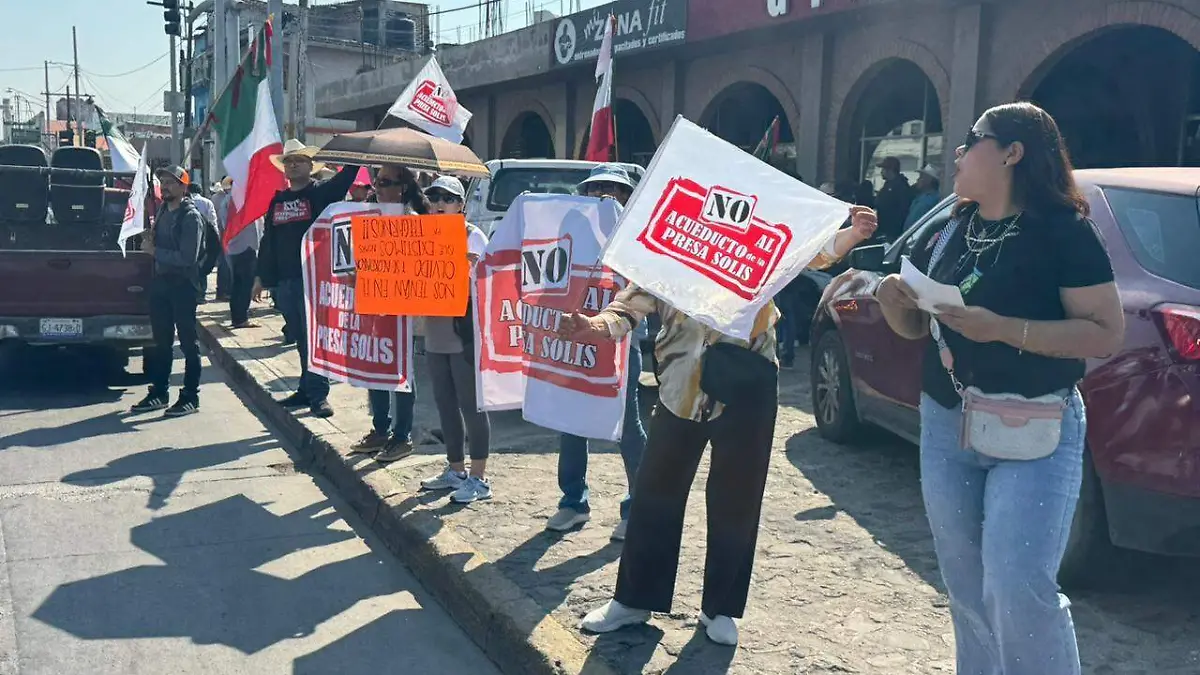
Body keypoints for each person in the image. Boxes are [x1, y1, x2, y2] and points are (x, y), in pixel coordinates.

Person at [874, 102, 1123, 674]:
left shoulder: (1064, 231)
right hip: (946, 422)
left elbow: (1106, 332)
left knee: (1017, 590)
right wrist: (894, 302)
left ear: (1013, 153)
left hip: (1035, 425)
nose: (957, 153)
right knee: (967, 590)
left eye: (972, 140)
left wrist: (1004, 330)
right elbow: (918, 326)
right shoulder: (949, 226)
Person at [569, 204, 879, 646]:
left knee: (738, 496)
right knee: (656, 490)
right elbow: (628, 307)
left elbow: (811, 253)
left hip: (747, 384)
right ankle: (634, 600)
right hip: (681, 387)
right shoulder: (670, 246)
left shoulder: (759, 242)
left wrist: (851, 235)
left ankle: (721, 608)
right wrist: (596, 326)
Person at [543, 164, 648, 542]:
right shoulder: (569, 232)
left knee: (626, 425)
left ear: (626, 197)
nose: (604, 195)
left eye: (613, 189)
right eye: (596, 188)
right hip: (575, 342)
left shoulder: (637, 238)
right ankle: (573, 502)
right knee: (571, 419)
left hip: (622, 344)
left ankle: (639, 506)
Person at [254, 139, 360, 418]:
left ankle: (318, 395)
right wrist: (261, 277)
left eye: (299, 160)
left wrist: (354, 151)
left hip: (314, 279)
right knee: (301, 338)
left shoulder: (320, 194)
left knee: (316, 338)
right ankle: (305, 388)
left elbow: (347, 177)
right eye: (288, 161)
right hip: (286, 282)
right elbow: (269, 241)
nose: (292, 165)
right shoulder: (277, 201)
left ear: (311, 166)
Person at [413, 175, 495, 504]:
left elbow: (460, 276)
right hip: (434, 329)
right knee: (445, 403)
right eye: (434, 198)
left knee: (471, 404)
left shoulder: (472, 237)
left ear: (461, 205)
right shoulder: (420, 235)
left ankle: (479, 477)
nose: (439, 204)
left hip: (464, 330)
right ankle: (455, 469)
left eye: (448, 198)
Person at [346, 164, 425, 463]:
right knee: (374, 366)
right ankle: (380, 429)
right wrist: (356, 276)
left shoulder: (414, 222)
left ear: (402, 188)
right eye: (376, 182)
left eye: (385, 182)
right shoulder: (368, 219)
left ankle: (402, 436)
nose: (377, 188)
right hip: (374, 306)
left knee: (401, 371)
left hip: (402, 310)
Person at [131, 166, 207, 417]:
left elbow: (188, 257)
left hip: (183, 285)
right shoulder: (163, 210)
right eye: (163, 181)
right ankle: (160, 392)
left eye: (171, 182)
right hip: (161, 283)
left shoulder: (191, 217)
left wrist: (155, 252)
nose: (165, 186)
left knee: (187, 343)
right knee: (161, 342)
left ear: (184, 187)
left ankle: (190, 397)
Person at [222, 178, 263, 330]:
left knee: (238, 284)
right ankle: (241, 318)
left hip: (237, 246)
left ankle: (238, 316)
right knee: (244, 284)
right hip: (245, 246)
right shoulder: (238, 200)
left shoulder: (230, 200)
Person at [188, 183, 221, 302]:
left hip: (189, 237)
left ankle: (193, 292)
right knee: (203, 264)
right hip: (206, 237)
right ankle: (201, 293)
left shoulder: (185, 201)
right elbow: (213, 221)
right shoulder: (207, 202)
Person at [874, 156, 913, 241]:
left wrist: (893, 233)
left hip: (892, 233)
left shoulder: (901, 186)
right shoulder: (888, 184)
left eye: (883, 169)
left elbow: (903, 211)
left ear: (890, 169)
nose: (881, 172)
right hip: (883, 229)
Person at [903, 163, 942, 230]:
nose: (917, 180)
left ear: (929, 181)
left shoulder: (932, 200)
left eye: (921, 177)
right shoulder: (920, 197)